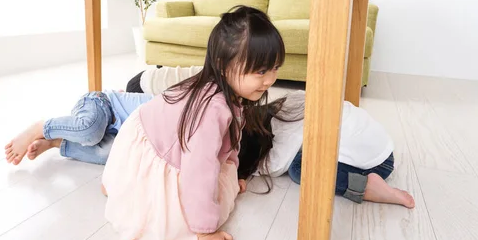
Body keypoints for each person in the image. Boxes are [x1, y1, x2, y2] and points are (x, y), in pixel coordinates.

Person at [101, 6, 285, 240]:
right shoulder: (212, 109)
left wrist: (232, 171)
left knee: (223, 177)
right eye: (261, 71)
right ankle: (125, 185)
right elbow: (199, 170)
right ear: (223, 65)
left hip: (147, 131)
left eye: (275, 68)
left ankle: (120, 184)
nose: (270, 80)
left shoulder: (221, 89)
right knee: (187, 207)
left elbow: (229, 143)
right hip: (150, 145)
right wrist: (205, 231)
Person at [127, 67, 415, 208]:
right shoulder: (283, 104)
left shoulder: (279, 147)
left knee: (300, 170)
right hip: (379, 143)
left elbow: (267, 164)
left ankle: (366, 187)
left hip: (372, 163)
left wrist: (242, 174)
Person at [4, 90, 153, 165]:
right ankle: (41, 128)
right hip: (103, 105)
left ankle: (55, 142)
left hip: (118, 133)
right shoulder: (169, 106)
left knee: (110, 154)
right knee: (90, 131)